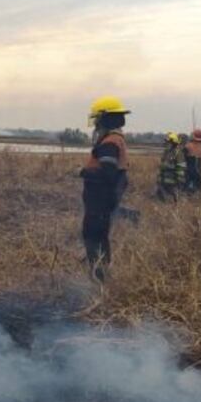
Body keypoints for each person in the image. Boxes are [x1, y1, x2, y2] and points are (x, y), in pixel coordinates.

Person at [81, 95, 130, 282]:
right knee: (100, 235)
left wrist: (84, 172)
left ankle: (98, 277)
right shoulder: (116, 139)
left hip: (100, 200)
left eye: (97, 119)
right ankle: (101, 273)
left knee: (93, 235)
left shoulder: (110, 142)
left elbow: (107, 174)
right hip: (104, 200)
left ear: (105, 118)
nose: (95, 123)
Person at [156, 132, 185, 202]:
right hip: (162, 181)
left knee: (172, 200)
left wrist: (180, 181)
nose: (166, 144)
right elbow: (162, 164)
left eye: (168, 142)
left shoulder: (178, 153)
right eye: (166, 142)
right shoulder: (166, 152)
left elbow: (181, 169)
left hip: (172, 182)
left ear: (173, 143)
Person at [184, 129, 201, 193]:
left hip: (189, 170)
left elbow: (183, 156)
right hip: (199, 170)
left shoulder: (188, 146)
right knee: (198, 189)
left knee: (187, 189)